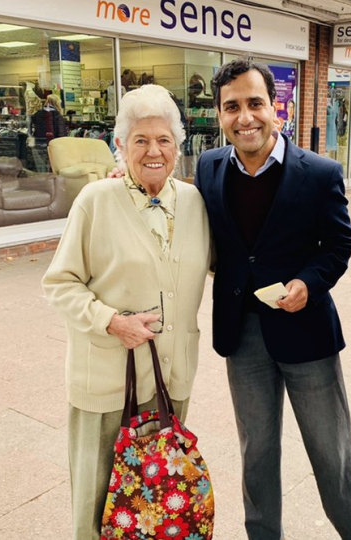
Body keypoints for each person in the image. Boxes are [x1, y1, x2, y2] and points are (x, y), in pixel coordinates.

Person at [194, 57, 351, 540]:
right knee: (257, 452)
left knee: (332, 453)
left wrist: (308, 284)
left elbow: (339, 246)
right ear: (219, 114)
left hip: (305, 332)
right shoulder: (207, 168)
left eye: (255, 103)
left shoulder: (319, 173)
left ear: (276, 108)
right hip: (242, 335)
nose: (245, 116)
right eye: (232, 107)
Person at [42, 84, 211, 540]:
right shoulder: (95, 201)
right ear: (120, 146)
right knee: (98, 504)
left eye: (164, 140)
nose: (154, 151)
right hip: (107, 381)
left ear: (179, 146)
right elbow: (59, 283)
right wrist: (111, 321)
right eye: (140, 140)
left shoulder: (195, 203)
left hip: (168, 377)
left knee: (157, 494)